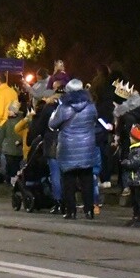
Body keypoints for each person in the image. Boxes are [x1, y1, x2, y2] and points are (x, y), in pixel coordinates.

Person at [49, 79, 98, 219]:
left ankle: (71, 211)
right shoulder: (91, 107)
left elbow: (52, 124)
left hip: (68, 147)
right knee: (87, 180)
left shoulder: (63, 108)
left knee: (68, 181)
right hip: (87, 147)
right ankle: (89, 210)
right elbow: (95, 120)